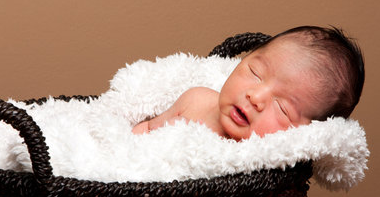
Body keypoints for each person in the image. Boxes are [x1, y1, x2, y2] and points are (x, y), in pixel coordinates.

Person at [132, 26, 365, 141]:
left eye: (283, 108)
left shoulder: (259, 160)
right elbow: (147, 130)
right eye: (255, 72)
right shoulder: (196, 99)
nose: (256, 96)